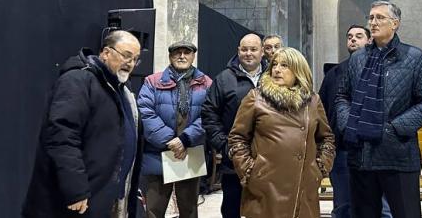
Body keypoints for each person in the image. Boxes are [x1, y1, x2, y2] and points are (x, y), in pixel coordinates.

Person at [336, 1, 422, 218]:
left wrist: (393, 128)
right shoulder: (358, 58)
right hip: (361, 155)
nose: (373, 22)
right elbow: (342, 96)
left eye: (380, 18)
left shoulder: (414, 57)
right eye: (371, 17)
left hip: (398, 154)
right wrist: (348, 123)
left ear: (395, 24)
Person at [23, 30, 143, 218]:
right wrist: (76, 190)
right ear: (105, 52)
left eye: (135, 59)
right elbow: (62, 136)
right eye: (126, 56)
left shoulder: (120, 90)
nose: (130, 63)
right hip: (75, 203)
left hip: (104, 198)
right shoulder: (77, 81)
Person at [228, 47, 336, 217]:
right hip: (265, 187)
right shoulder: (256, 97)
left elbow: (326, 139)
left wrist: (319, 168)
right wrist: (250, 172)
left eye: (284, 65)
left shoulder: (312, 100)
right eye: (274, 65)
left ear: (298, 70)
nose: (277, 70)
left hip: (303, 189)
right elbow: (237, 138)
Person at [319, 25, 392, 218]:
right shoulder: (334, 74)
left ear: (369, 40)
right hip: (342, 148)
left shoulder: (382, 68)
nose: (353, 39)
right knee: (343, 206)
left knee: (382, 207)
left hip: (376, 148)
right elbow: (323, 110)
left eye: (359, 36)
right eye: (349, 36)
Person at [137, 41, 212, 218]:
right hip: (158, 154)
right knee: (154, 209)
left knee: (189, 209)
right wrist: (170, 141)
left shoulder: (207, 83)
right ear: (170, 56)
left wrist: (185, 139)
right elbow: (145, 112)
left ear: (193, 56)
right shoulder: (152, 81)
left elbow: (209, 115)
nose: (182, 56)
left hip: (190, 153)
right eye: (177, 52)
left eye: (187, 52)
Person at [201, 33, 268, 218]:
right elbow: (209, 114)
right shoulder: (223, 79)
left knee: (265, 209)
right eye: (244, 49)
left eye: (253, 49)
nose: (248, 53)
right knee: (232, 209)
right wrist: (224, 144)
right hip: (234, 160)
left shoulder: (275, 76)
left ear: (262, 52)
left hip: (268, 158)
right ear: (238, 51)